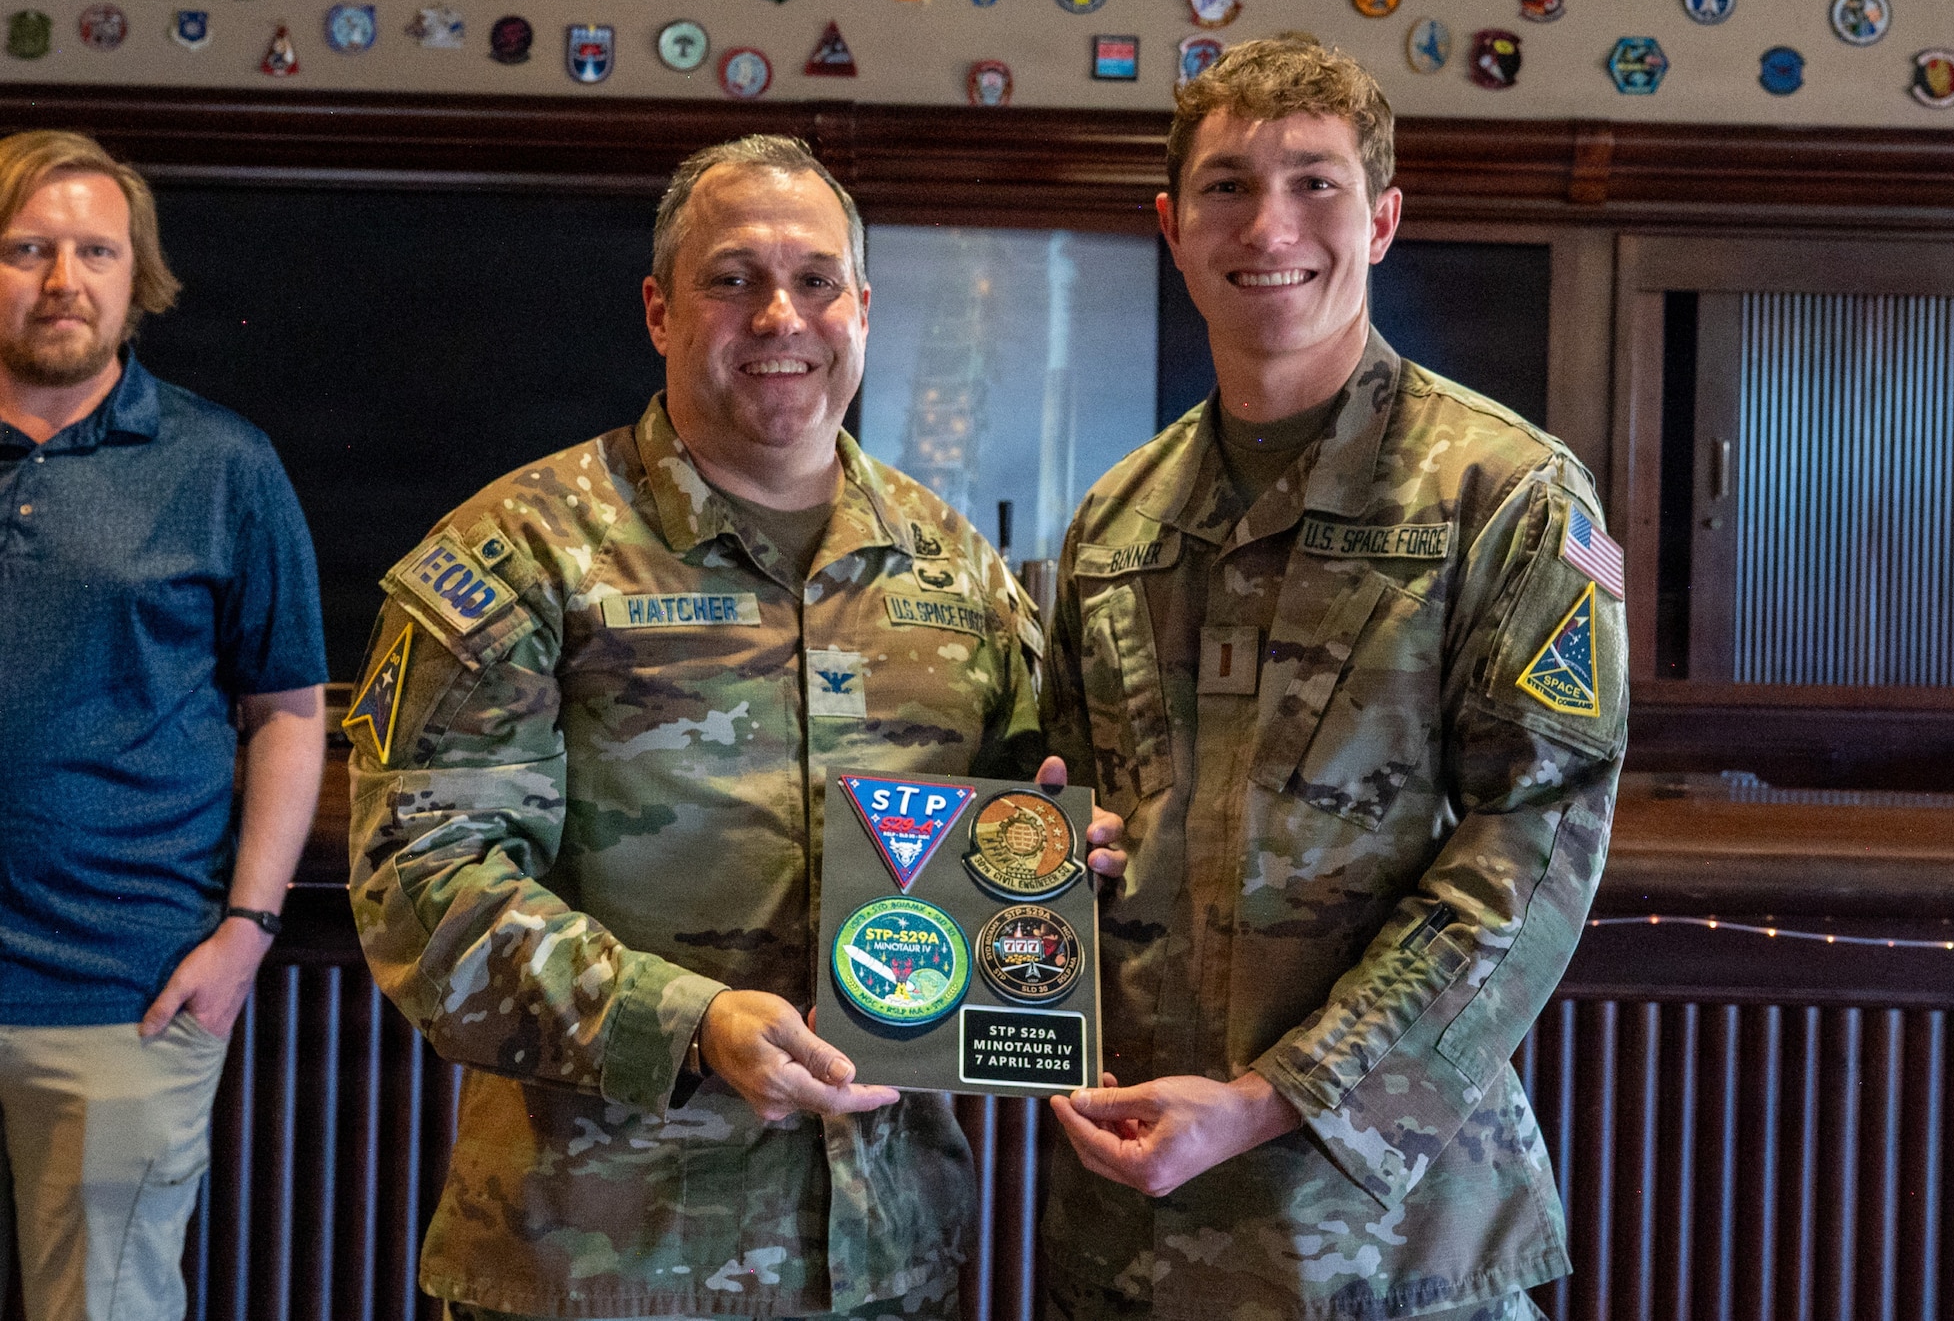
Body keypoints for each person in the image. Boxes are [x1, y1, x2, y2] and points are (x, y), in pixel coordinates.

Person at [345, 134, 1121, 1321]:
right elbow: (421, 887)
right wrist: (688, 1024)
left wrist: (1065, 856)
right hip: (595, 1266)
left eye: (815, 280)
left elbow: (1016, 850)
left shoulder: (956, 570)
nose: (779, 315)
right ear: (659, 311)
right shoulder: (517, 559)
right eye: (731, 278)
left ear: (862, 308)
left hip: (882, 1264)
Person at [1038, 36, 1628, 1321]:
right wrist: (1044, 846)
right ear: (1172, 226)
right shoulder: (1113, 524)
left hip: (1392, 1240)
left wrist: (1273, 1101)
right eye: (1226, 187)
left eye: (1314, 183)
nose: (1270, 225)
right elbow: (1061, 814)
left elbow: (1531, 858)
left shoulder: (1504, 499)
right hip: (1136, 1227)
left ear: (1383, 219)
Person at [0, 130, 328, 1321]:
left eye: (96, 251)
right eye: (25, 249)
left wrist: (246, 927)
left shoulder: (221, 465)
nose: (60, 281)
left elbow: (289, 711)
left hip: (123, 986)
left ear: (138, 278)